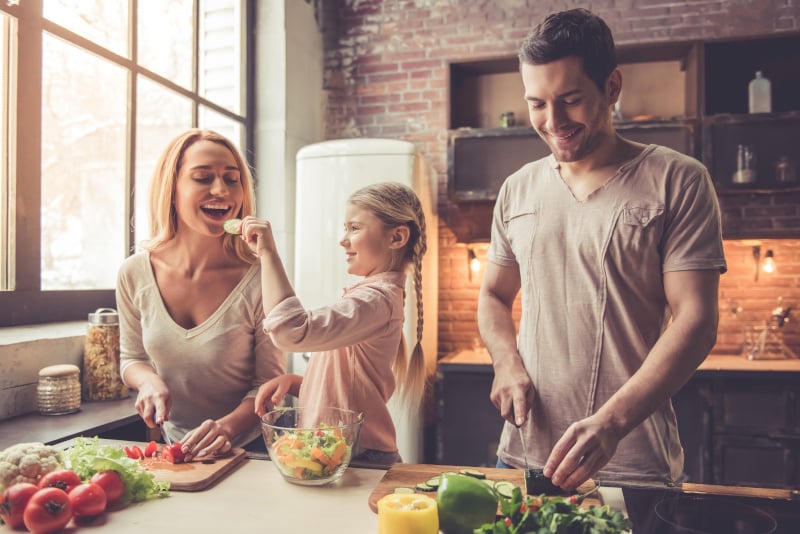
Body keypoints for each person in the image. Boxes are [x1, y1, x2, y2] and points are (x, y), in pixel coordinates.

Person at [477, 8, 727, 494]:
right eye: (537, 104)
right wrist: (505, 361)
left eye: (571, 100)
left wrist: (611, 423)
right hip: (527, 454)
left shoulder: (678, 180)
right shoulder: (517, 189)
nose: (553, 122)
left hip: (632, 460)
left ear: (612, 87)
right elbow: (492, 296)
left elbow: (697, 321)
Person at [117, 129, 286, 460]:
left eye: (232, 179)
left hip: (253, 451)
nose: (221, 190)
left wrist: (226, 429)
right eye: (203, 177)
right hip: (176, 448)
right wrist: (149, 381)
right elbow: (131, 359)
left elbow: (270, 386)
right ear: (172, 190)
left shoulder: (259, 278)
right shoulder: (134, 273)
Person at [241, 181, 427, 467]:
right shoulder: (374, 298)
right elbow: (347, 388)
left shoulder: (376, 300)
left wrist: (268, 253)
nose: (343, 239)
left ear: (397, 237)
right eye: (346, 228)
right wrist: (296, 384)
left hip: (359, 459)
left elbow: (291, 331)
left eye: (355, 228)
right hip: (344, 454)